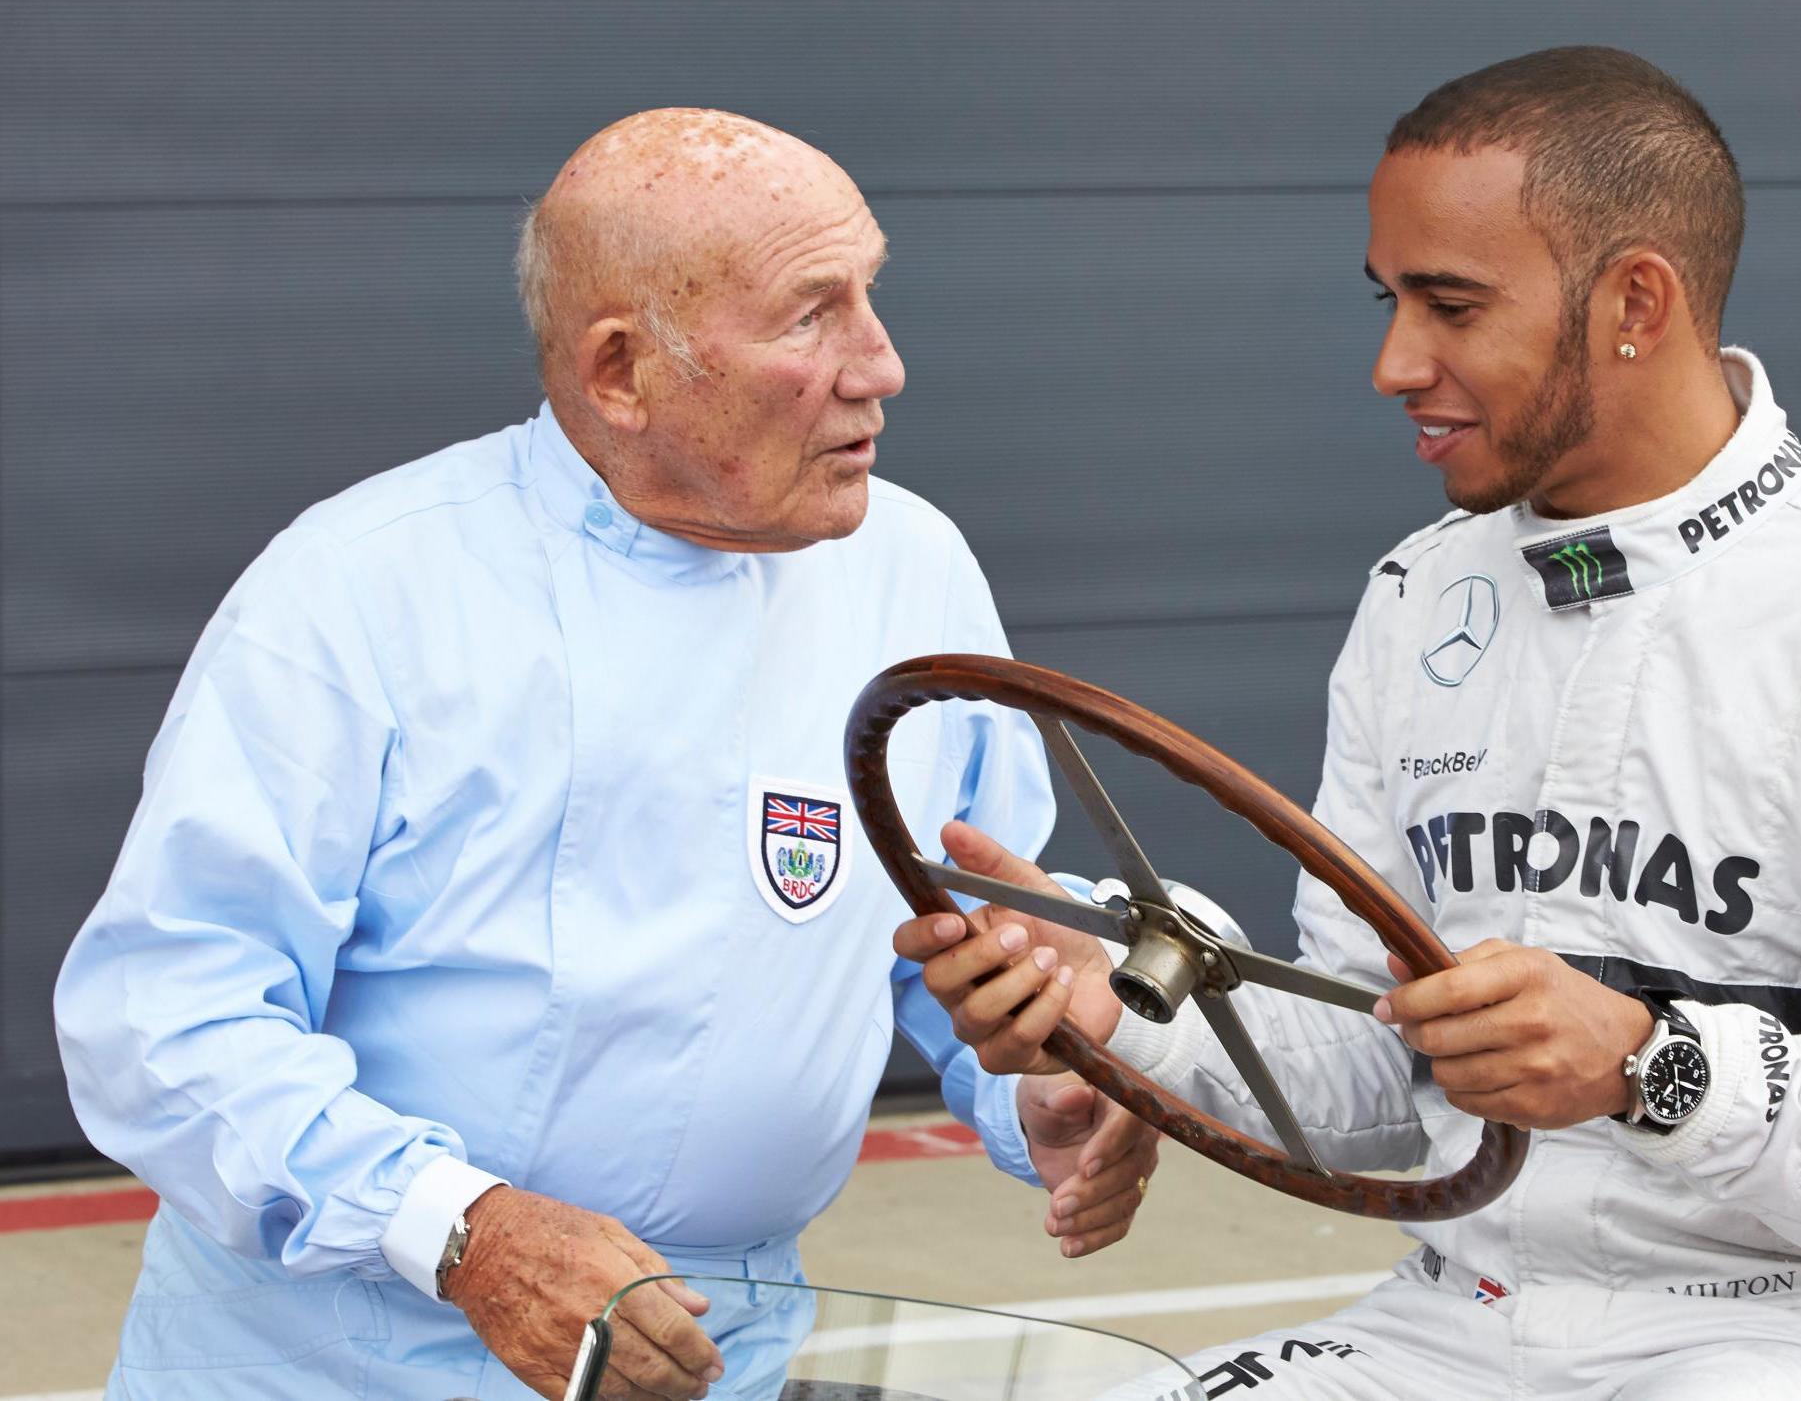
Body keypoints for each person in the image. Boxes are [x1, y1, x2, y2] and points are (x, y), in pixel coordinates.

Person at [897, 49, 1801, 1401]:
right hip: (1450, 1312)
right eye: (1390, 300)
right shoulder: (1419, 597)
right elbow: (1362, 1078)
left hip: (1783, 1328)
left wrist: (1650, 1066)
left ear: (1636, 300)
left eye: (1450, 305)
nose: (1394, 362)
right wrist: (1106, 994)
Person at [55, 109, 1156, 1401]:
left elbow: (961, 930)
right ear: (620, 372)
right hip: (326, 1368)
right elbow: (165, 1021)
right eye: (811, 315)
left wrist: (1040, 1088)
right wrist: (461, 1230)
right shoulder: (359, 592)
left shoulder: (909, 571)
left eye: (870, 294)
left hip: (714, 1360)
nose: (882, 365)